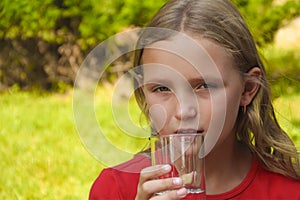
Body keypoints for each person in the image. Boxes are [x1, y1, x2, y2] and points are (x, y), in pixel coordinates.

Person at [89, 0, 300, 199]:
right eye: (162, 88)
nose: (183, 110)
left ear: (248, 89)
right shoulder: (114, 189)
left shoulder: (289, 190)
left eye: (204, 86)